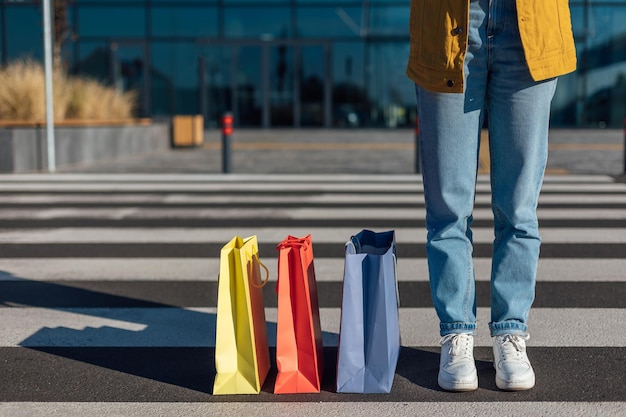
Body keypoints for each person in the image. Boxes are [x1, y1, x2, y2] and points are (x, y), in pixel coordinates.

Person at [406, 0, 576, 391]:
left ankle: (510, 332)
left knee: (518, 208)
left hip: (531, 24)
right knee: (449, 207)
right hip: (447, 21)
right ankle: (456, 333)